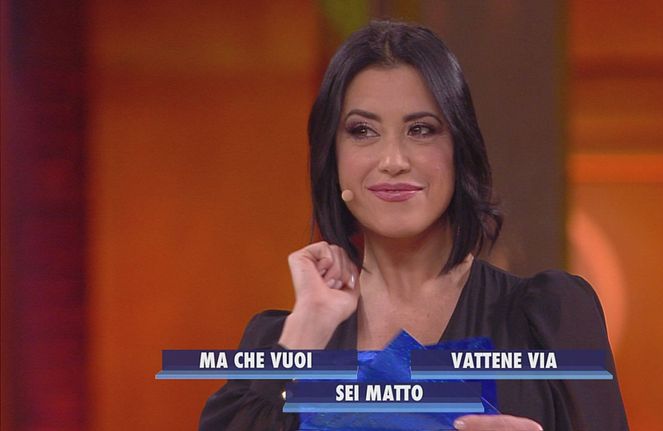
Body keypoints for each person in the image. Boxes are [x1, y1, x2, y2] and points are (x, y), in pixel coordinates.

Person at [199, 20, 629, 431]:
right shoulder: (280, 339)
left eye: (421, 129)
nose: (393, 160)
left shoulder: (548, 318)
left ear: (459, 149)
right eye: (362, 131)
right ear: (333, 158)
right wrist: (307, 330)